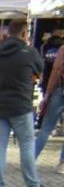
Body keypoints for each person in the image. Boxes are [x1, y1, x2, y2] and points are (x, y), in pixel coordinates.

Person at [0, 19, 52, 187]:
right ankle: (33, 186)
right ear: (25, 33)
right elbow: (40, 70)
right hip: (20, 104)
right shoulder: (29, 52)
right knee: (26, 143)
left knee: (0, 145)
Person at [33, 39, 64, 175]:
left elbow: (56, 70)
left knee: (46, 127)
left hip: (60, 90)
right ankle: (62, 164)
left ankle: (30, 158)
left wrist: (47, 95)